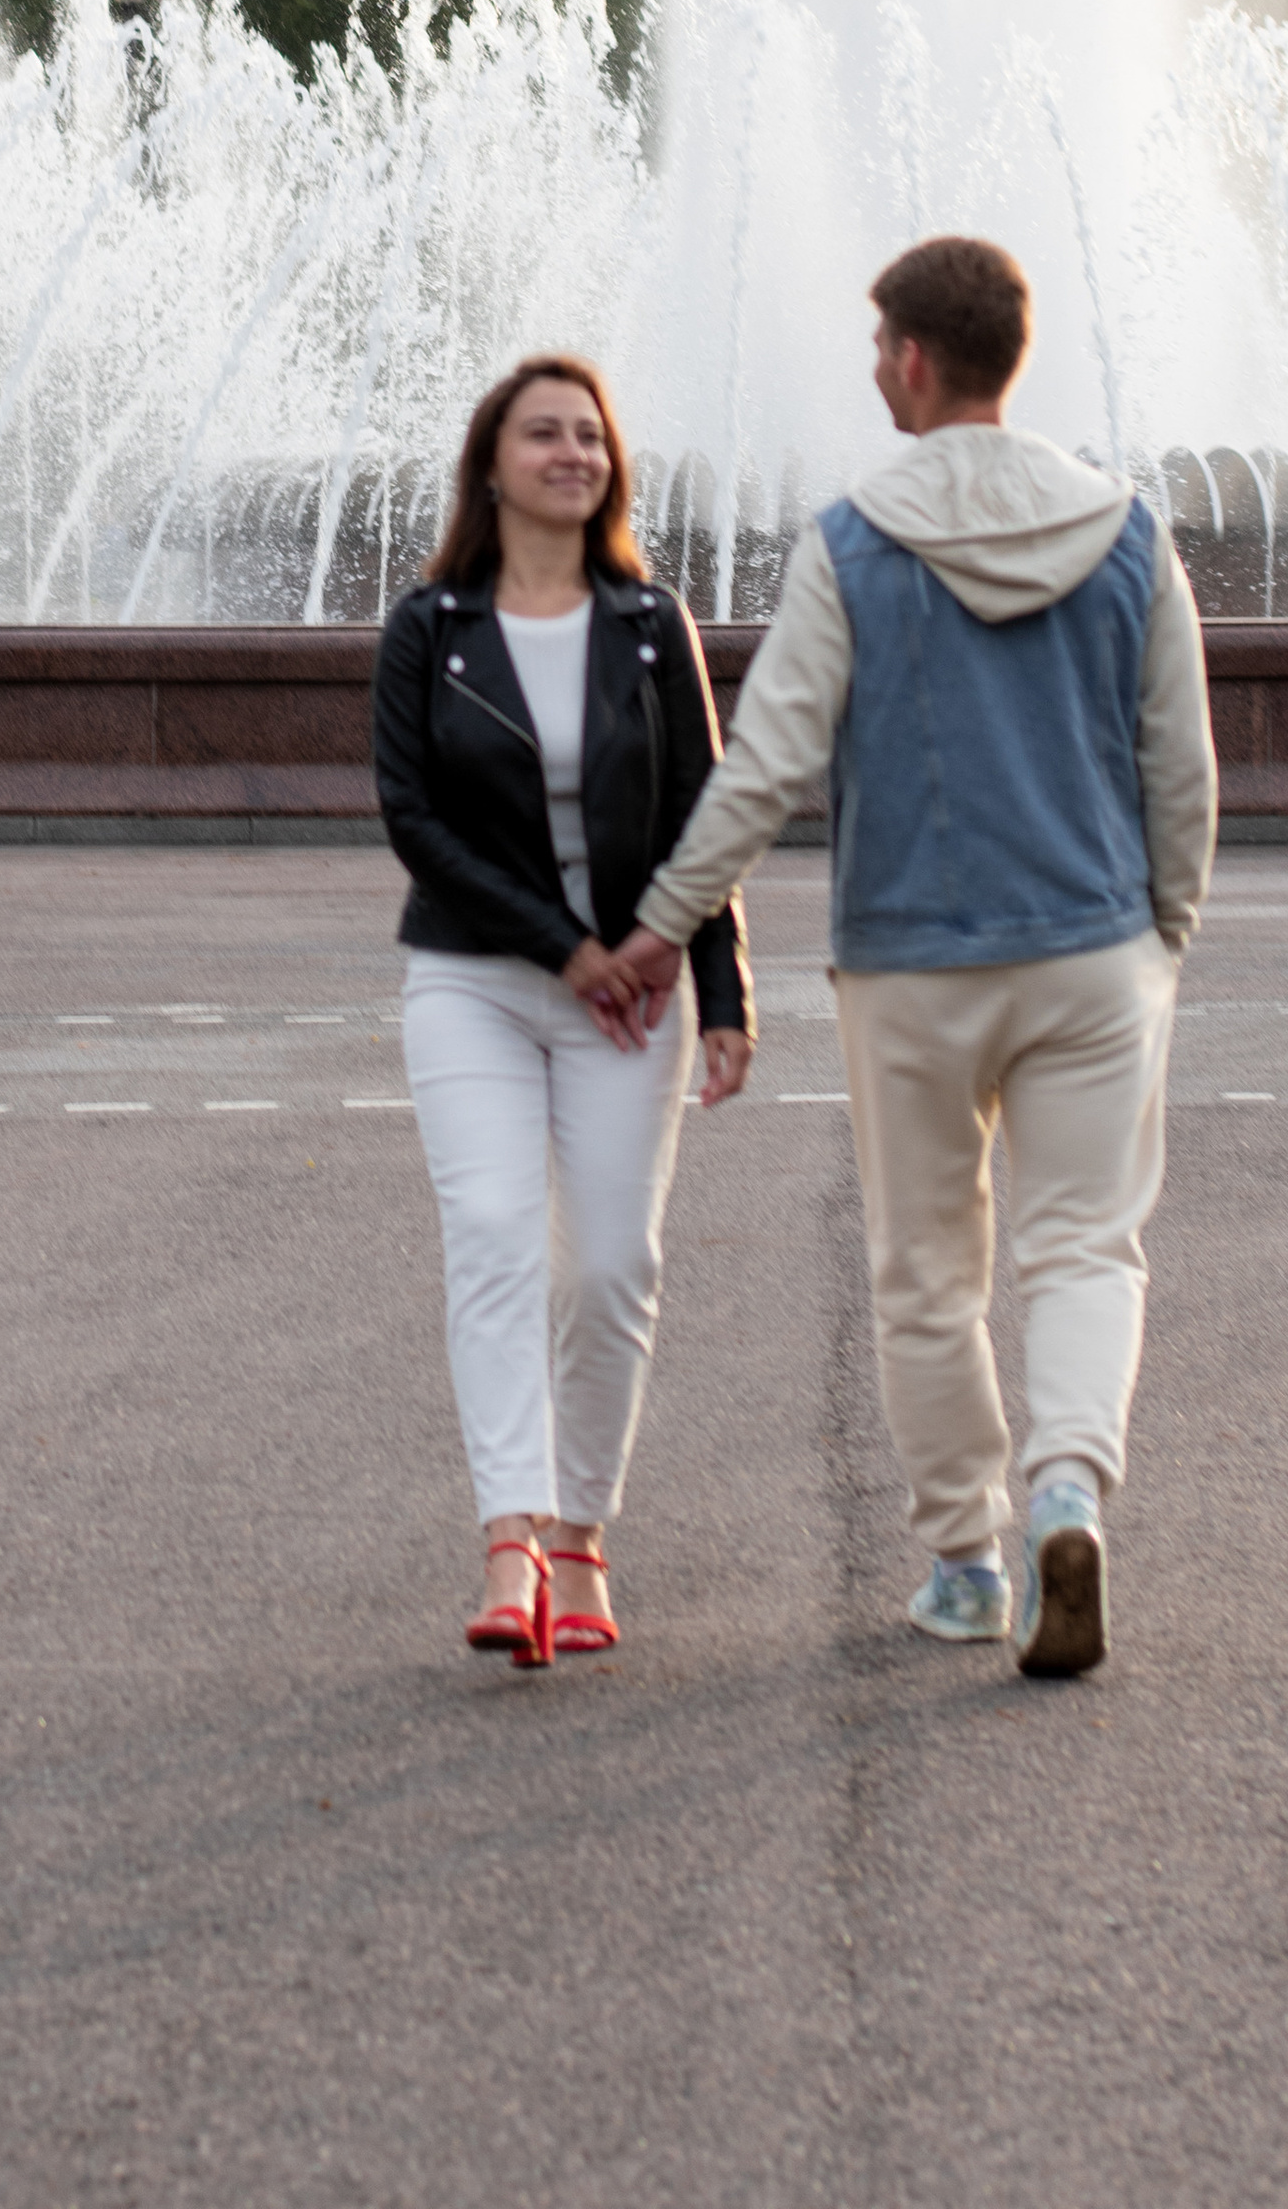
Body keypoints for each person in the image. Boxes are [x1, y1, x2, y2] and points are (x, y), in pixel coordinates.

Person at [600, 237, 1216, 1679]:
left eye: (880, 347)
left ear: (918, 361)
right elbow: (1178, 764)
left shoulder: (854, 544)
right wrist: (1163, 933)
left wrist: (660, 927)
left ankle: (969, 1561)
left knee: (927, 1271)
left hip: (913, 963)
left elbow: (763, 773)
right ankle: (1071, 1486)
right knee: (1084, 1247)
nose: (873, 369)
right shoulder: (1129, 533)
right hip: (1094, 949)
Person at [372, 355, 754, 1667]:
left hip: (632, 1000)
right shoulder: (430, 627)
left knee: (608, 1265)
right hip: (473, 980)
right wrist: (563, 945)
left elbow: (708, 816)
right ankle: (511, 1537)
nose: (572, 454)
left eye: (589, 436)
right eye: (544, 435)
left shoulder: (654, 625)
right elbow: (413, 820)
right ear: (493, 464)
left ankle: (583, 1533)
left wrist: (718, 989)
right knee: (492, 1235)